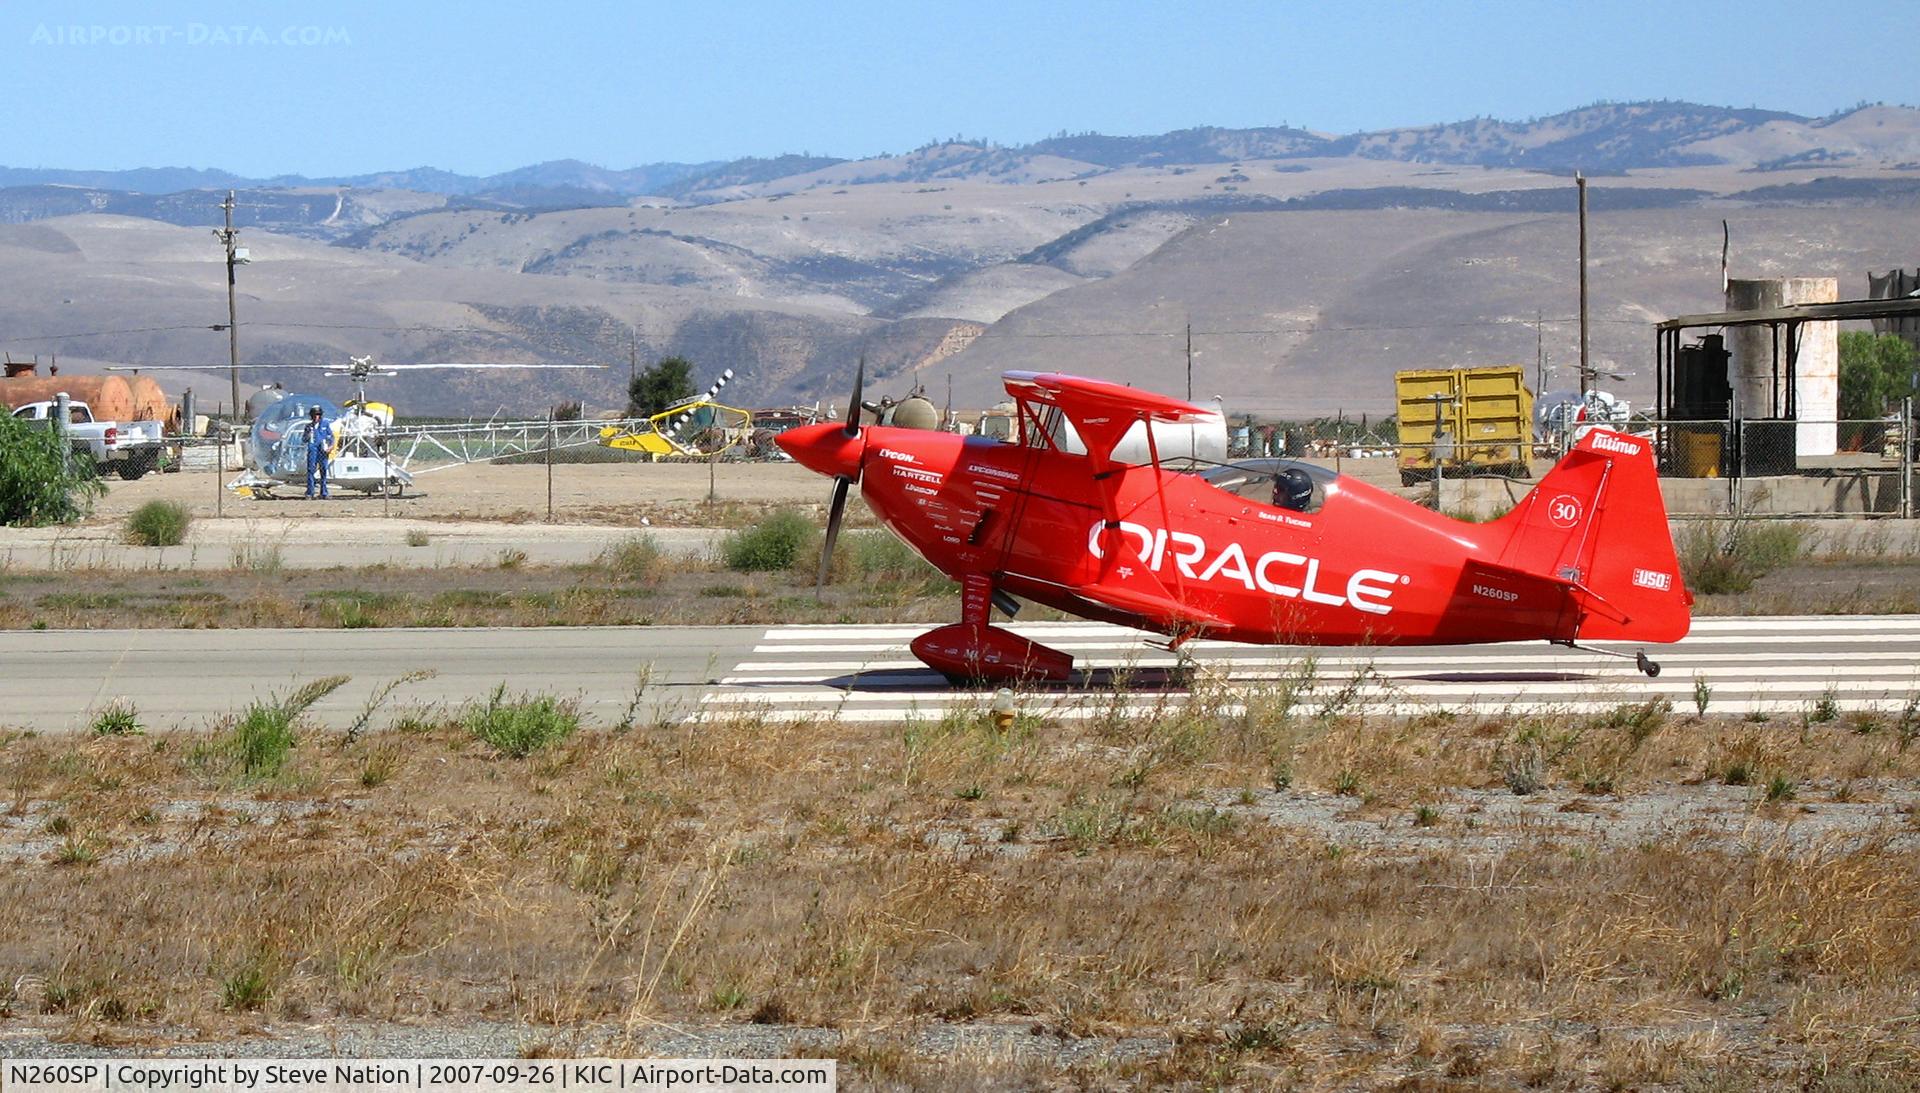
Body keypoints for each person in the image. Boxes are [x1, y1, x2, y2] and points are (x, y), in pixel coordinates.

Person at [302, 405, 334, 499]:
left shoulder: (325, 424)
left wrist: (331, 447)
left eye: (318, 415)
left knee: (323, 470)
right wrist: (308, 434)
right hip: (313, 450)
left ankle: (324, 492)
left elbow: (331, 437)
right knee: (311, 470)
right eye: (315, 415)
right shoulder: (308, 427)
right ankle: (310, 492)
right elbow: (304, 439)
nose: (317, 417)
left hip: (323, 450)